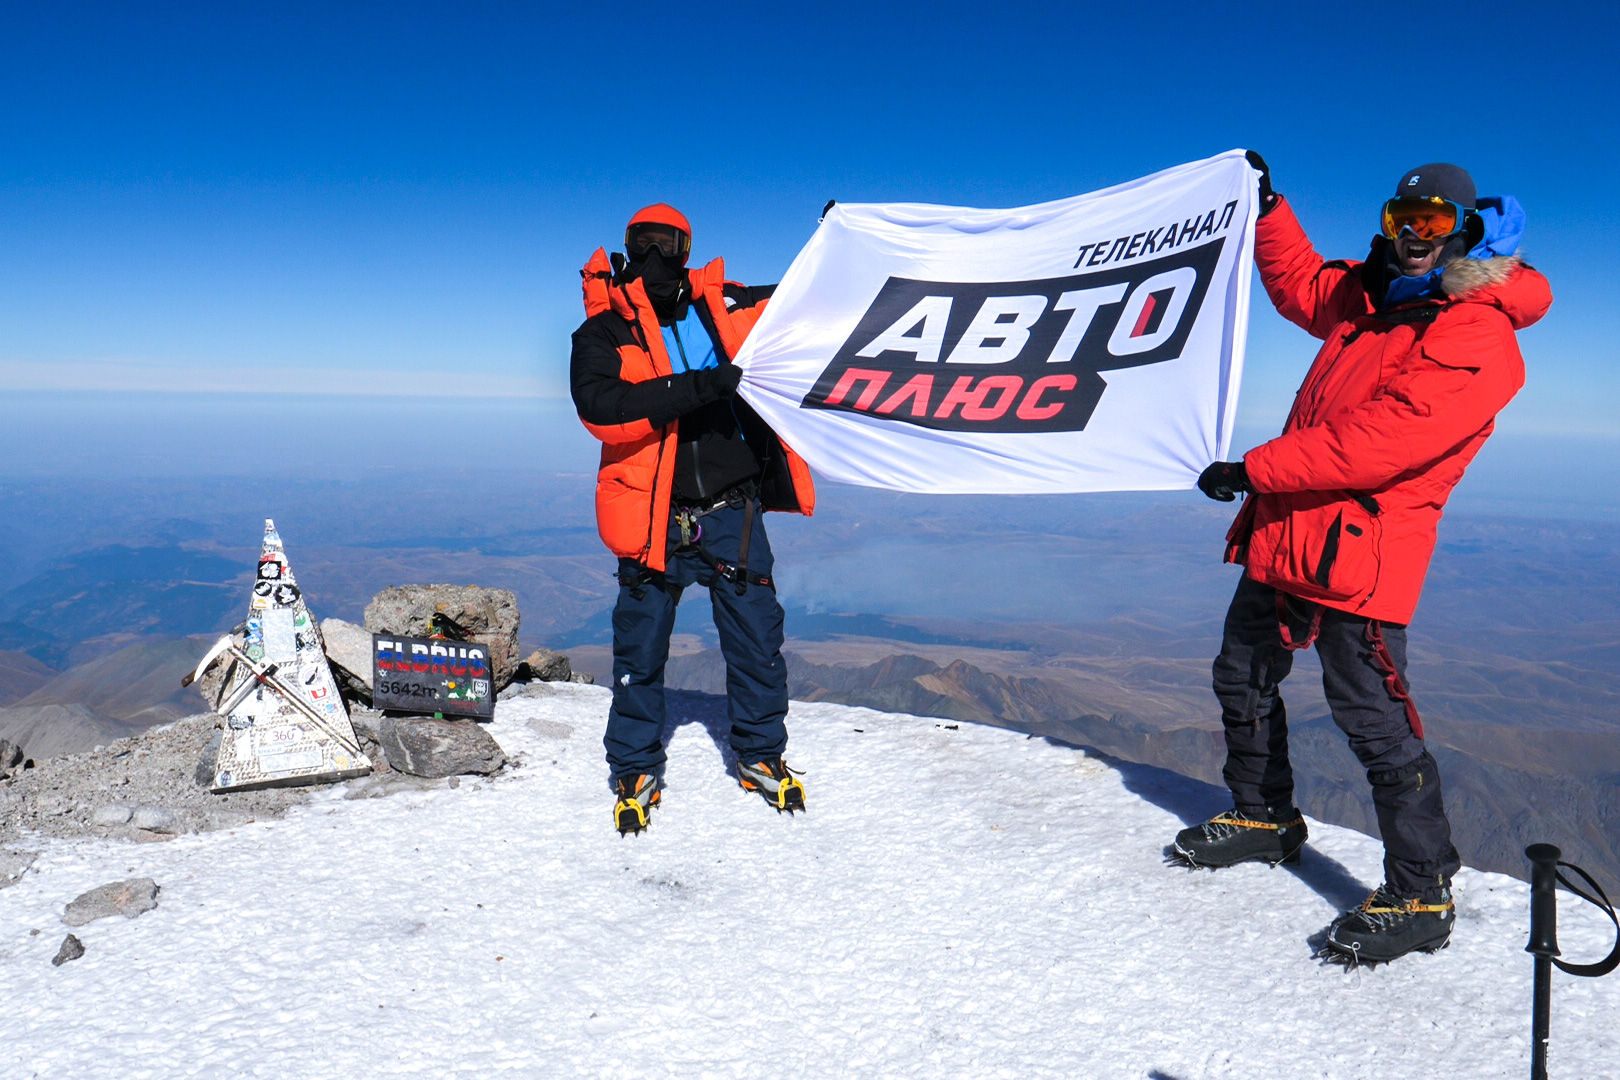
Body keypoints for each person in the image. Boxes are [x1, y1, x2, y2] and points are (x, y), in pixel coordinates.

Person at [1174, 157, 1552, 962]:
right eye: (1401, 219)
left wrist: (1256, 469)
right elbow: (1304, 286)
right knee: (1242, 673)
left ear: (1469, 231)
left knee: (1373, 720)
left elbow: (1385, 442)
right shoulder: (1374, 301)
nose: (1415, 237)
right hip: (1289, 532)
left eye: (1435, 223)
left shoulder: (1476, 333)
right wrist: (1268, 209)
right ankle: (1263, 815)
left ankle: (1422, 893)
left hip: (1365, 551)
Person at [570, 204, 817, 833]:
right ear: (626, 248)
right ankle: (633, 764)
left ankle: (761, 755)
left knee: (757, 639)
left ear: (687, 249)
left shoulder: (724, 309)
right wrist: (703, 387)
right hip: (651, 518)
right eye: (643, 242)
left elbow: (801, 299)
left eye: (670, 243)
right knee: (640, 647)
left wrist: (833, 244)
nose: (656, 256)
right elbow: (602, 407)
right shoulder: (603, 333)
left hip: (732, 509)